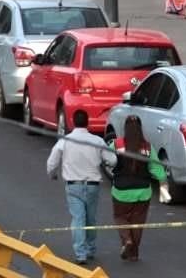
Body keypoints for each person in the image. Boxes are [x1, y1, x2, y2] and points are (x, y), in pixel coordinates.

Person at [46, 109, 116, 265]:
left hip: (73, 186)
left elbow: (52, 162)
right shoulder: (97, 141)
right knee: (91, 218)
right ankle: (91, 249)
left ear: (72, 121)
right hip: (93, 186)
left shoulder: (65, 141)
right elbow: (112, 160)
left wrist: (52, 174)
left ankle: (80, 253)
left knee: (78, 219)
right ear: (88, 122)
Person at [110, 115, 167, 262]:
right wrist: (163, 185)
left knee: (120, 217)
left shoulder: (116, 144)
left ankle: (127, 241)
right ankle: (134, 254)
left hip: (121, 192)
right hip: (143, 192)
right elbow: (157, 168)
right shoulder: (147, 147)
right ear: (140, 129)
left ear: (125, 128)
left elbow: (108, 161)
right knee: (138, 222)